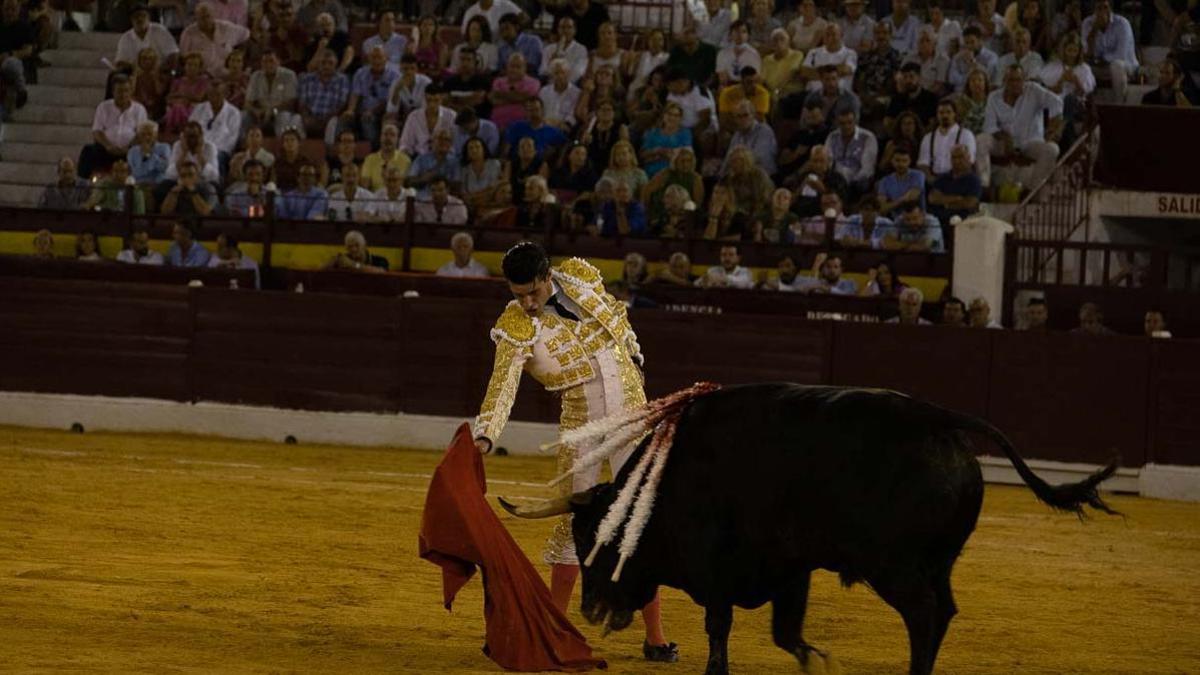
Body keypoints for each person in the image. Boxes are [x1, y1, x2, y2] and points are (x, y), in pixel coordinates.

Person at [471, 243, 678, 663]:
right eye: (518, 295)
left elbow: (619, 319)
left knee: (640, 524)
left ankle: (656, 639)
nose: (527, 303)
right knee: (572, 525)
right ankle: (551, 634)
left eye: (532, 293)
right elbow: (502, 384)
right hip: (580, 425)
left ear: (548, 276)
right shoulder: (515, 325)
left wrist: (635, 354)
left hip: (633, 417)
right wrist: (485, 436)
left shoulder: (581, 277)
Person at [1081, 0, 1137, 102]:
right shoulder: (1087, 23)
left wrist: (1101, 59)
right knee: (1082, 67)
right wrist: (1094, 31)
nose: (1103, 11)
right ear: (1094, 10)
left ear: (1110, 9)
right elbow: (1087, 54)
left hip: (1126, 65)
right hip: (1099, 66)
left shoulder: (1122, 24)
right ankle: (1086, 105)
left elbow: (1121, 55)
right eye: (1099, 8)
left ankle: (1119, 105)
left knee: (1116, 66)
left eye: (1105, 7)